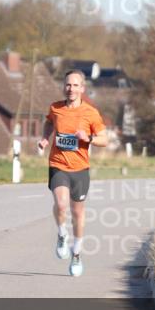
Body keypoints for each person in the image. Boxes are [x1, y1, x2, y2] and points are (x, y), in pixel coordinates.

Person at [36, 69, 108, 277]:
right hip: (58, 164)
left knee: (77, 213)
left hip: (80, 169)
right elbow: (49, 122)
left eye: (75, 85)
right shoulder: (56, 108)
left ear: (82, 89)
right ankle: (61, 234)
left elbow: (104, 140)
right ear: (63, 87)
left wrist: (88, 138)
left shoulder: (91, 113)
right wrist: (45, 138)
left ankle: (76, 253)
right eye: (68, 85)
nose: (71, 89)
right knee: (61, 204)